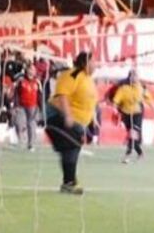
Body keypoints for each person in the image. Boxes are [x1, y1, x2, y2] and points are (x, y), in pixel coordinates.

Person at [45, 52, 97, 194]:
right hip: (57, 115)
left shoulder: (88, 79)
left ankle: (69, 181)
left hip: (77, 121)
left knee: (71, 147)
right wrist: (67, 115)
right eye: (93, 61)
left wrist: (93, 119)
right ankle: (69, 182)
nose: (96, 64)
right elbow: (62, 95)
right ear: (85, 63)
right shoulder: (72, 74)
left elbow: (89, 101)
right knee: (72, 145)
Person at [112, 70, 154, 163]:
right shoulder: (123, 88)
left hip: (137, 113)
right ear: (129, 77)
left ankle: (128, 153)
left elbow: (148, 99)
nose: (135, 78)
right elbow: (116, 100)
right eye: (133, 76)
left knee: (133, 133)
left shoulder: (141, 88)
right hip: (126, 113)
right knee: (131, 135)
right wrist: (114, 109)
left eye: (136, 76)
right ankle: (140, 153)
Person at [13, 65, 42, 151]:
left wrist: (40, 106)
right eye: (30, 69)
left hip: (33, 106)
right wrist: (15, 104)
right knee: (18, 122)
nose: (32, 71)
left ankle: (31, 144)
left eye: (33, 70)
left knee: (31, 124)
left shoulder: (37, 82)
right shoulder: (21, 81)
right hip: (21, 105)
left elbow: (40, 95)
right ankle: (20, 139)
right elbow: (16, 93)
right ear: (26, 70)